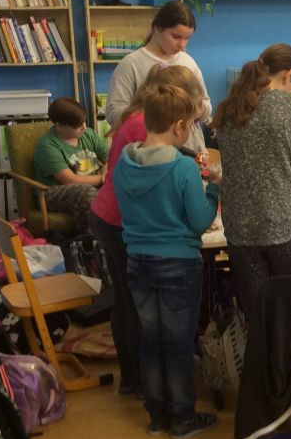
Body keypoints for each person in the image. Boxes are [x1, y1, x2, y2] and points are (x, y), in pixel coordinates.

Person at [88, 64, 207, 398]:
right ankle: (138, 381)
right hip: (119, 219)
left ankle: (138, 380)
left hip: (113, 214)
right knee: (132, 306)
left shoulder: (141, 118)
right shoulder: (144, 125)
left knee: (128, 302)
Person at [113, 83, 221, 439]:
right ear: (178, 126)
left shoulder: (125, 161)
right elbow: (200, 220)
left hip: (137, 261)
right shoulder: (183, 167)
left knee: (151, 338)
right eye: (191, 124)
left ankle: (157, 415)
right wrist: (214, 189)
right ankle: (183, 417)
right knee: (178, 343)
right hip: (178, 263)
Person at [212, 44, 291, 326]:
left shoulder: (230, 106)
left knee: (257, 315)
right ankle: (288, 356)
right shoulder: (289, 104)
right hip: (283, 223)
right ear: (289, 74)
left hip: (241, 228)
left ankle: (260, 356)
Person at [105, 1, 211, 153]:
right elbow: (113, 112)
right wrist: (155, 118)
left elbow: (206, 104)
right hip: (147, 152)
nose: (182, 45)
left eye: (187, 38)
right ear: (157, 28)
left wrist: (195, 111)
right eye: (176, 36)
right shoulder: (131, 64)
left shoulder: (188, 62)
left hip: (190, 149)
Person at [32, 97, 108, 232]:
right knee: (86, 192)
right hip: (53, 192)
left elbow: (111, 158)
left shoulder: (89, 134)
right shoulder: (47, 146)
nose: (84, 127)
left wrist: (108, 170)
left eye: (83, 121)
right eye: (77, 125)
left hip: (95, 182)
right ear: (59, 126)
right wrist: (103, 178)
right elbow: (70, 180)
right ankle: (89, 240)